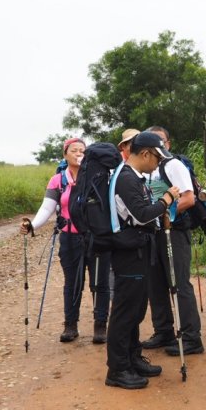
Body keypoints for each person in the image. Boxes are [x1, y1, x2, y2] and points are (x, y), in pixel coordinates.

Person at [105, 131, 181, 390]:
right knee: (125, 312)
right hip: (129, 254)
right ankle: (117, 369)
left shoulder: (134, 177)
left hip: (138, 250)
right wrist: (167, 199)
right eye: (158, 158)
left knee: (136, 310)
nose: (158, 163)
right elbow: (141, 215)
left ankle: (132, 358)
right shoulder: (126, 178)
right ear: (146, 153)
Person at [21, 137, 111, 344]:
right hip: (70, 237)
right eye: (74, 150)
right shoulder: (58, 180)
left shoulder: (98, 176)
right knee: (72, 283)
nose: (79, 153)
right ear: (65, 155)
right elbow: (47, 207)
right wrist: (33, 225)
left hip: (97, 237)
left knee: (100, 283)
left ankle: (100, 326)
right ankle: (70, 326)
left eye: (82, 150)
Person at [141, 126, 204, 356]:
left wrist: (167, 215)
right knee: (155, 284)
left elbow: (189, 198)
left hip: (174, 231)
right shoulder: (147, 169)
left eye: (160, 141)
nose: (156, 145)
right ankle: (164, 331)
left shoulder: (173, 165)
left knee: (178, 283)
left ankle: (191, 337)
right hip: (153, 232)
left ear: (167, 143)